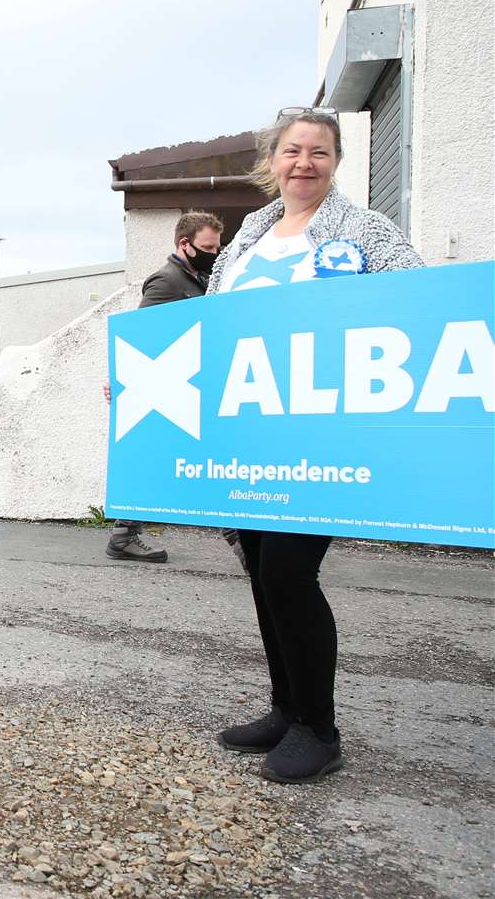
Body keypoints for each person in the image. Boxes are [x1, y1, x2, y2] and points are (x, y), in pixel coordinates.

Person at [206, 106, 422, 784]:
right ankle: (285, 705)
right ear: (273, 160)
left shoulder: (366, 231)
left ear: (336, 162)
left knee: (288, 572)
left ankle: (318, 730)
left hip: (323, 431)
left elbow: (422, 299)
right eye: (293, 151)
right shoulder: (247, 237)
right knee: (261, 566)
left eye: (319, 152)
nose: (305, 163)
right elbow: (210, 328)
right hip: (250, 429)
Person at [105, 210, 224, 564]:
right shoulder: (167, 281)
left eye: (218, 248)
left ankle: (123, 536)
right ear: (184, 245)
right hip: (169, 390)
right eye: (208, 247)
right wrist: (124, 382)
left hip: (195, 386)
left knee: (204, 464)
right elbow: (140, 338)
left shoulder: (201, 278)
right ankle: (123, 536)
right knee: (172, 461)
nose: (215, 254)